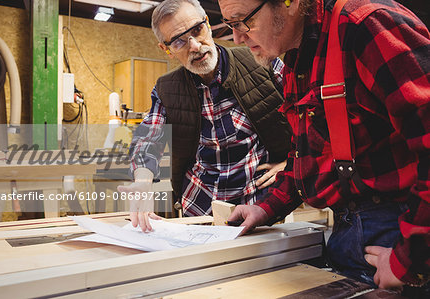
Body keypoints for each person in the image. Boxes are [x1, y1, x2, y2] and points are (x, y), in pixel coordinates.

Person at [218, 0, 429, 293]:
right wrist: (266, 208)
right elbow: (309, 155)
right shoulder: (296, 56)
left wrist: (410, 260)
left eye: (242, 21)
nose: (238, 38)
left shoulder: (367, 26)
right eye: (230, 25)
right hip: (348, 232)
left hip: (397, 233)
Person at [118, 0, 291, 232]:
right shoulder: (166, 89)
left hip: (259, 209)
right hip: (199, 214)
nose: (195, 46)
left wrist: (293, 164)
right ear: (166, 49)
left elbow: (311, 118)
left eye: (197, 30)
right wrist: (142, 180)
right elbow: (148, 138)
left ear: (208, 25)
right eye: (179, 41)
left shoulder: (263, 62)